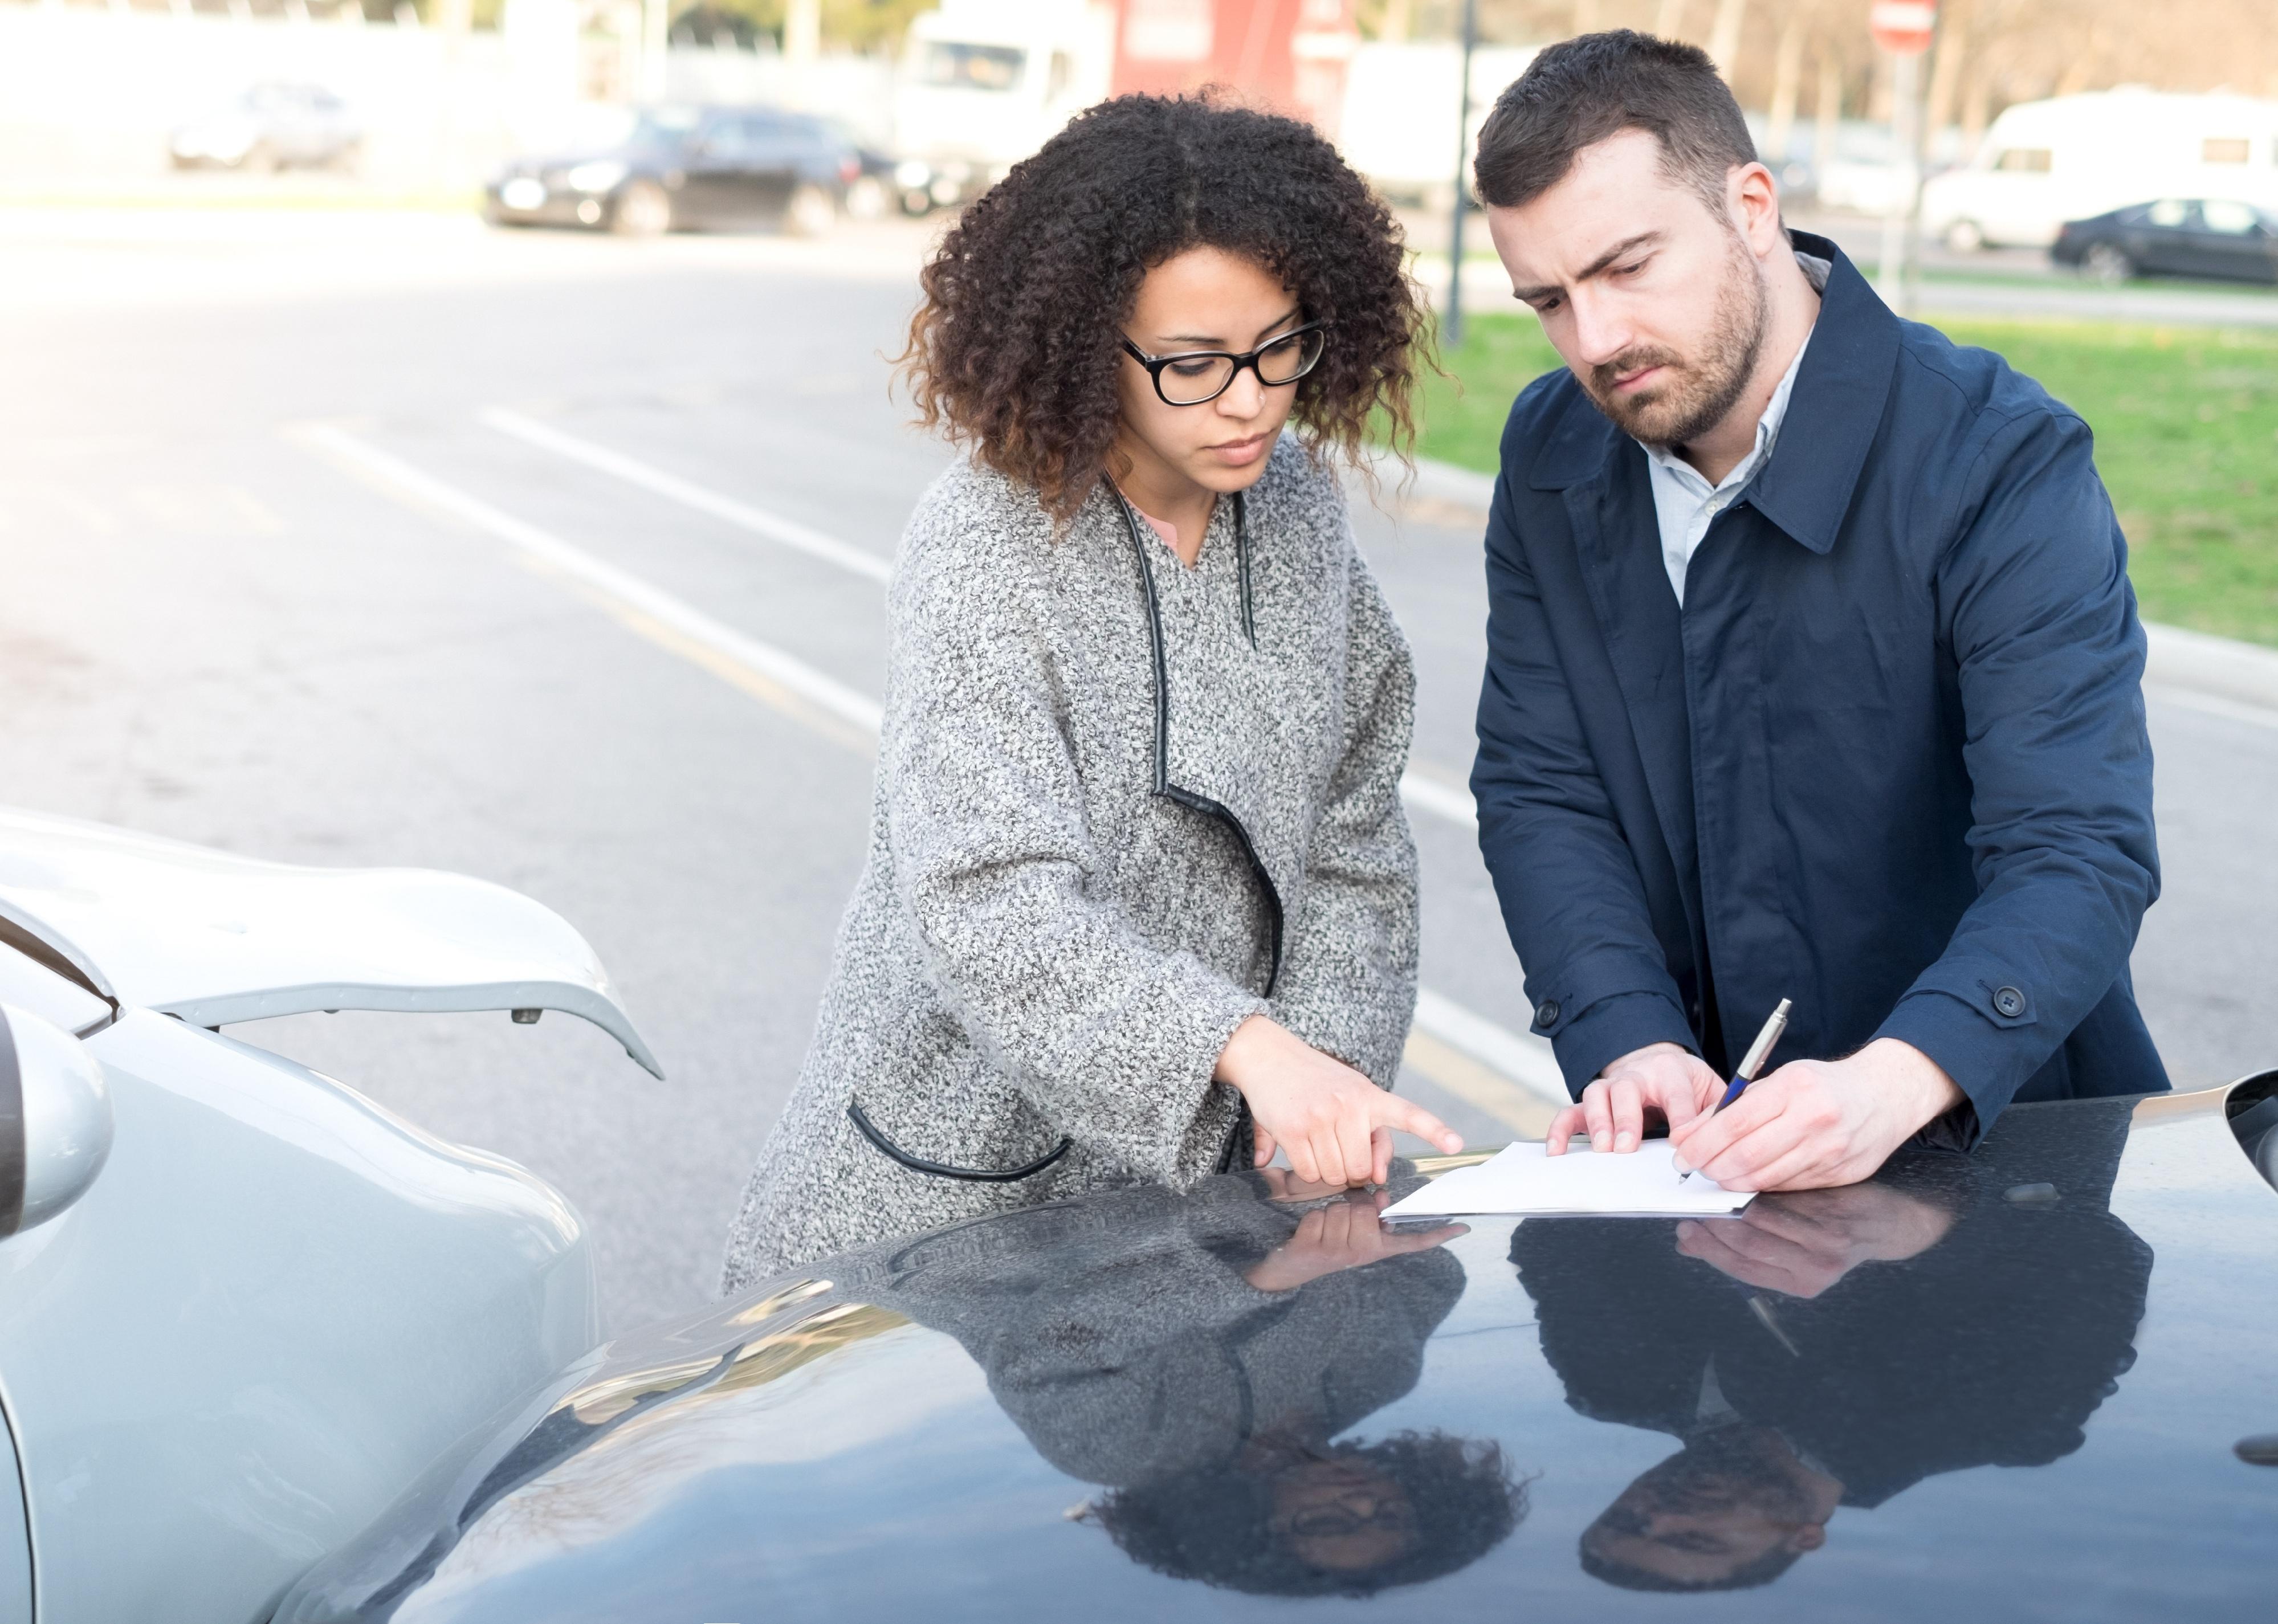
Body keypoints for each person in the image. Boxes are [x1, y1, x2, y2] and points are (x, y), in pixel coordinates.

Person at [722, 93, 1460, 1290]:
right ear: (1080, 341)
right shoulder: (984, 543)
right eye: (1191, 364)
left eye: (1282, 346)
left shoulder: (1298, 510)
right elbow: (990, 897)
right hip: (955, 1185)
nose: (1249, 400)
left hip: (1222, 1192)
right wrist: (1244, 1045)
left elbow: (1354, 837)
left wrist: (1313, 1081)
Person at [1465, 31, 2168, 1193]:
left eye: (1627, 267)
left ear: (1751, 207)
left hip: (2004, 1173)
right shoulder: (1551, 449)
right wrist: (1624, 1031)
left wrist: (1895, 1079)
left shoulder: (1999, 460)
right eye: (1549, 299)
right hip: (1694, 1185)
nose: (1595, 342)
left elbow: (2075, 848)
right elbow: (1546, 786)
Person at [1513, 1096, 2151, 1592]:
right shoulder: (2005, 1430)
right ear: (1802, 1539)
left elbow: (1553, 1237)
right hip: (2012, 1113)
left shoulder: (1608, 1382)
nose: (1663, 1515)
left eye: (1628, 1520)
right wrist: (1927, 1230)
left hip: (1739, 1088)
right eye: (1697, 1541)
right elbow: (2101, 1262)